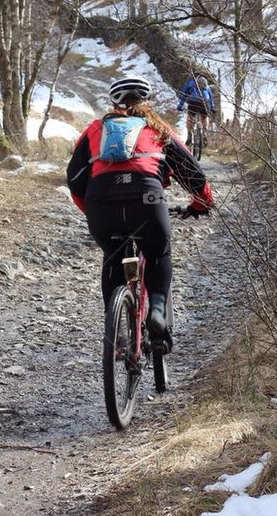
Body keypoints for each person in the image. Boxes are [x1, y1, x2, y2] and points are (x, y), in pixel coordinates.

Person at [66, 75, 214, 352]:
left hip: (101, 203)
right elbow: (193, 173)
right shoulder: (158, 129)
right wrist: (201, 204)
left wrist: (92, 210)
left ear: (114, 103)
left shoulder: (95, 130)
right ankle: (157, 313)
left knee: (113, 257)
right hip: (148, 198)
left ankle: (119, 335)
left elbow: (74, 180)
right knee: (158, 253)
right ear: (146, 103)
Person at [176, 74, 215, 144]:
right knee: (205, 117)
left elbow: (183, 95)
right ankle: (204, 132)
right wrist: (212, 107)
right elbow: (210, 97)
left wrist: (180, 105)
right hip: (204, 102)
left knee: (190, 116)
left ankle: (189, 135)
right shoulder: (206, 85)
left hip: (193, 101)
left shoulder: (190, 83)